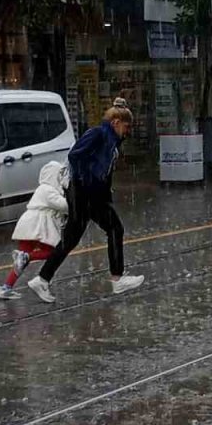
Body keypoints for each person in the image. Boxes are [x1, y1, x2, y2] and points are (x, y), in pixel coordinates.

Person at [27, 107, 144, 303]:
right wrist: (87, 181)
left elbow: (103, 170)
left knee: (71, 238)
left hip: (88, 193)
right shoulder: (98, 134)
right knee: (114, 228)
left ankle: (42, 278)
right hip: (85, 193)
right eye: (126, 126)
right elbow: (75, 156)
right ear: (115, 122)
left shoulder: (111, 140)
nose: (128, 131)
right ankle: (117, 278)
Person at [0, 161, 70, 300]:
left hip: (28, 225)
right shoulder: (48, 190)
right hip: (38, 226)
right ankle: (28, 257)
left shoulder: (43, 188)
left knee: (20, 261)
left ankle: (6, 287)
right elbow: (63, 206)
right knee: (52, 252)